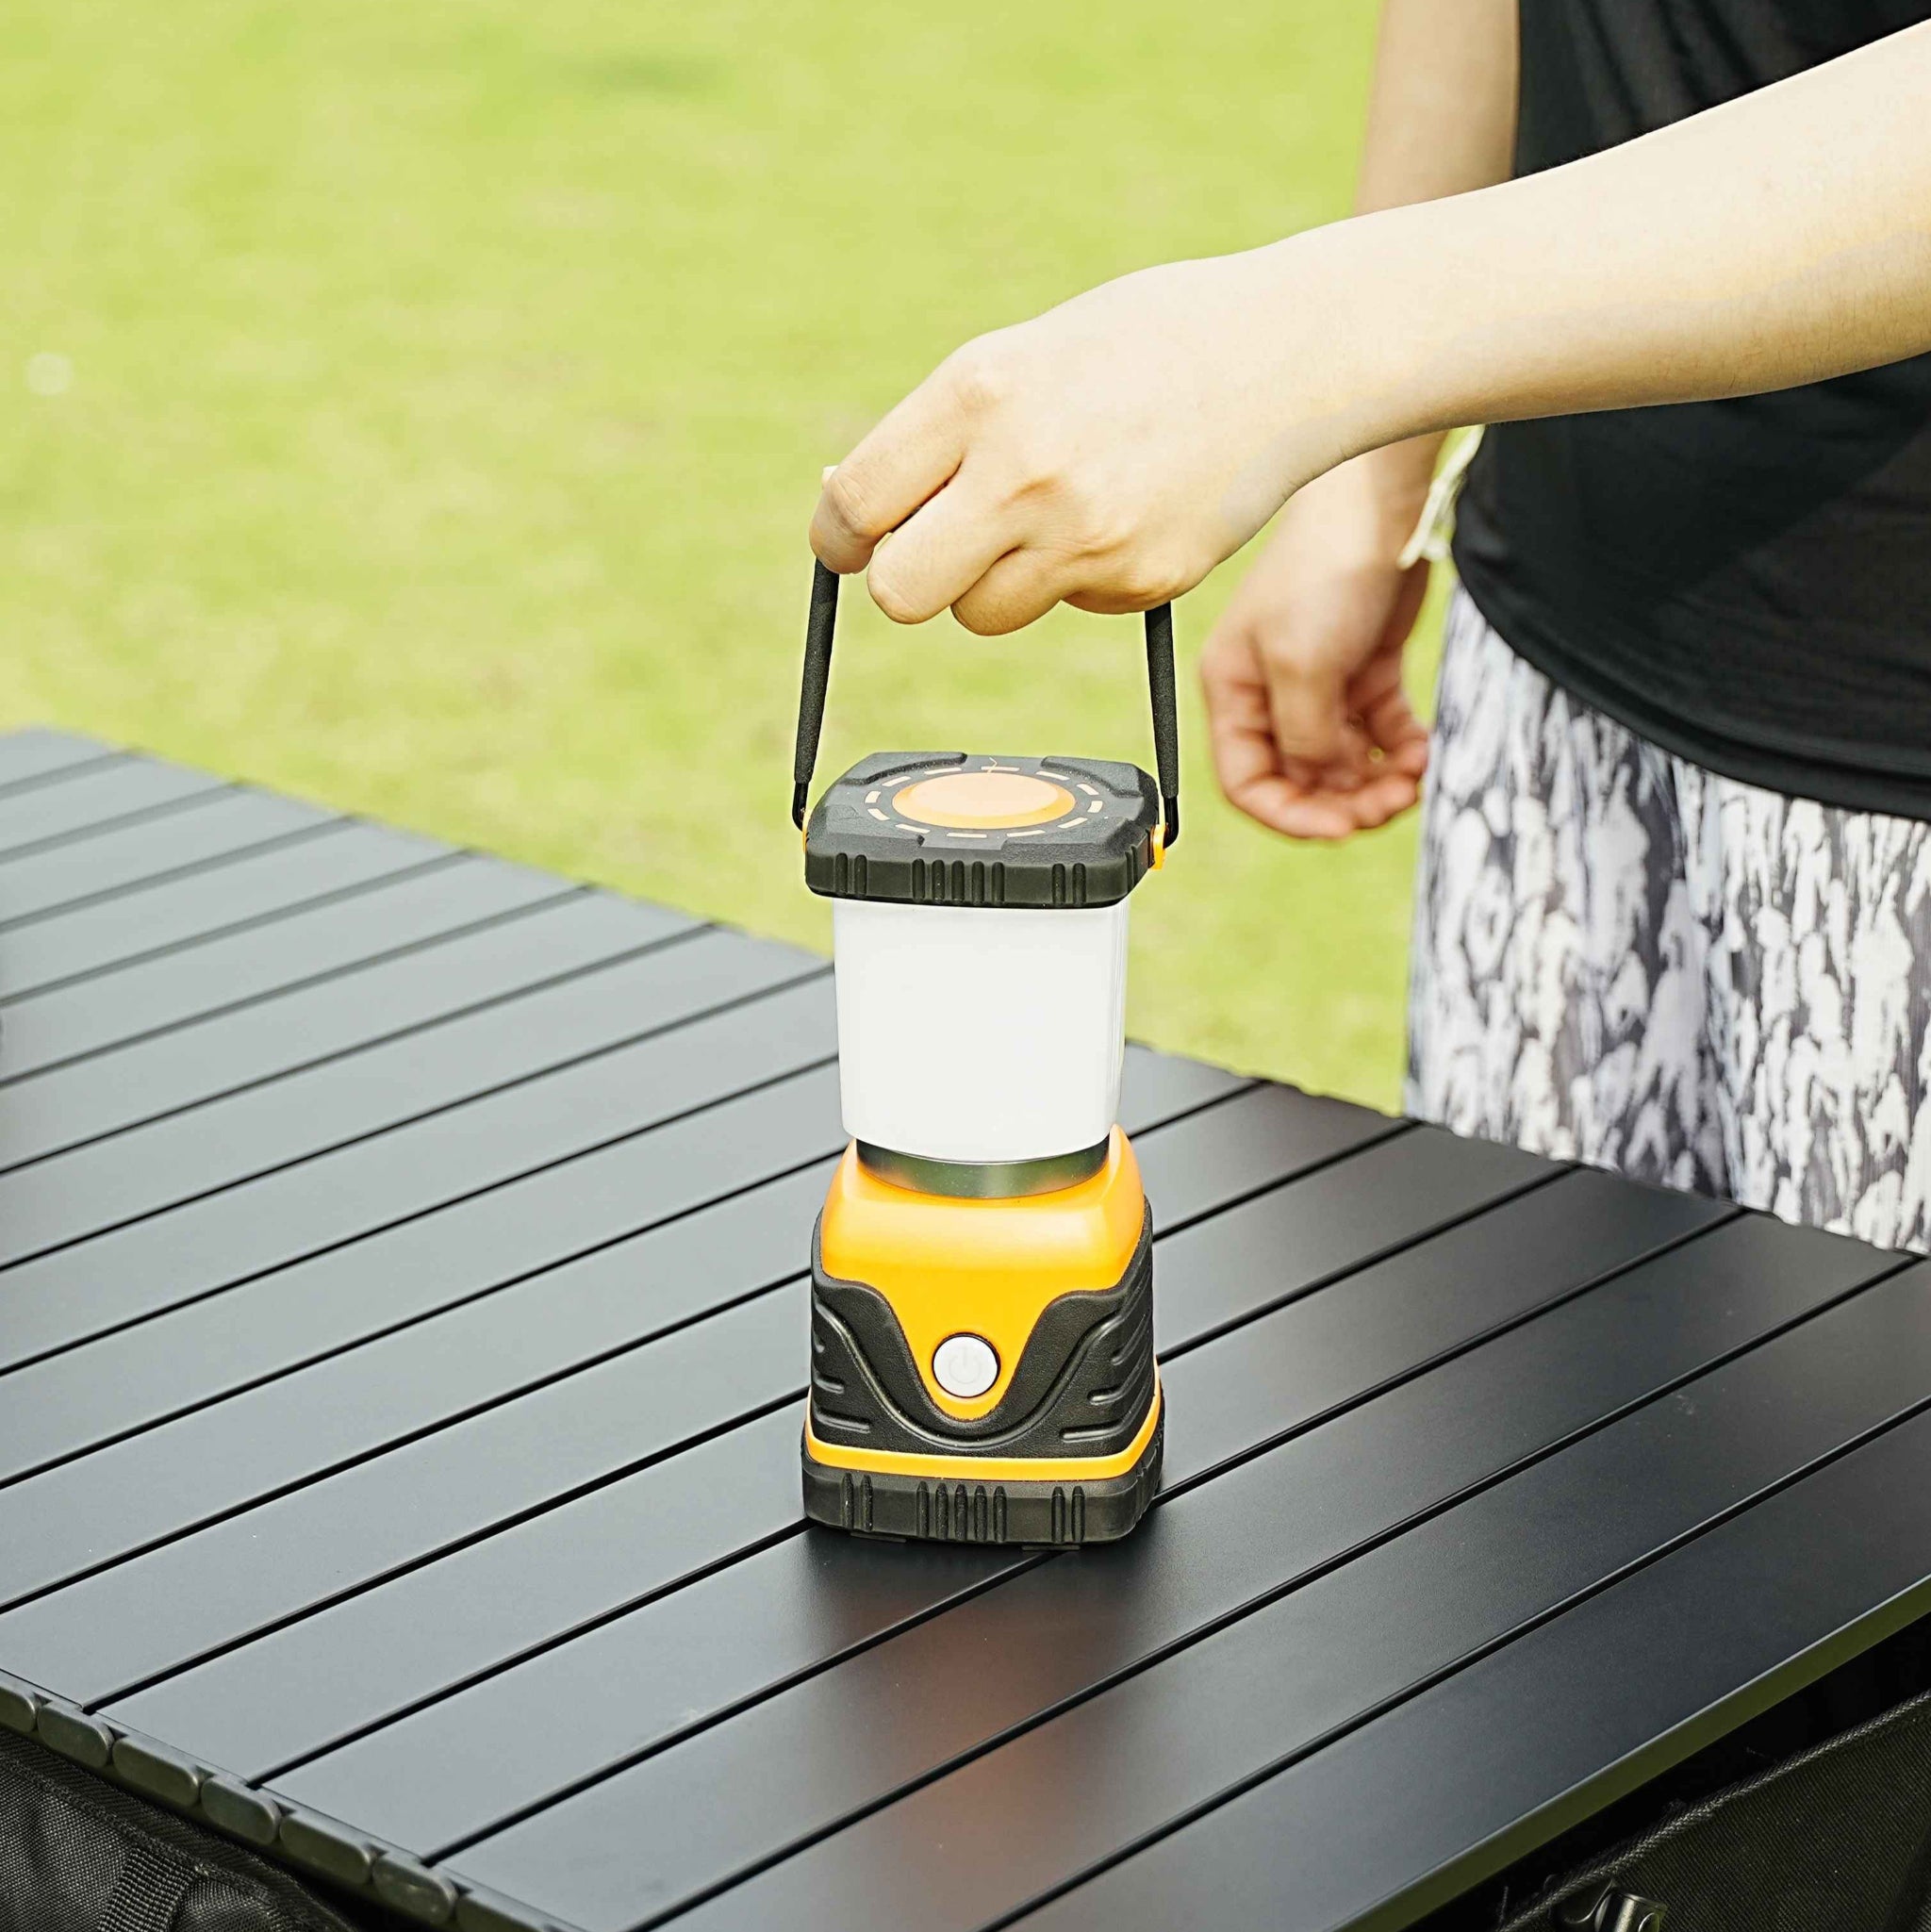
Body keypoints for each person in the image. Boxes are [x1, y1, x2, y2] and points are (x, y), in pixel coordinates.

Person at [808, 1, 1931, 1251]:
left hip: (1897, 821)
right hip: (1545, 728)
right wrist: (1370, 479)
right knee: (1522, 1391)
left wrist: (1307, 346)